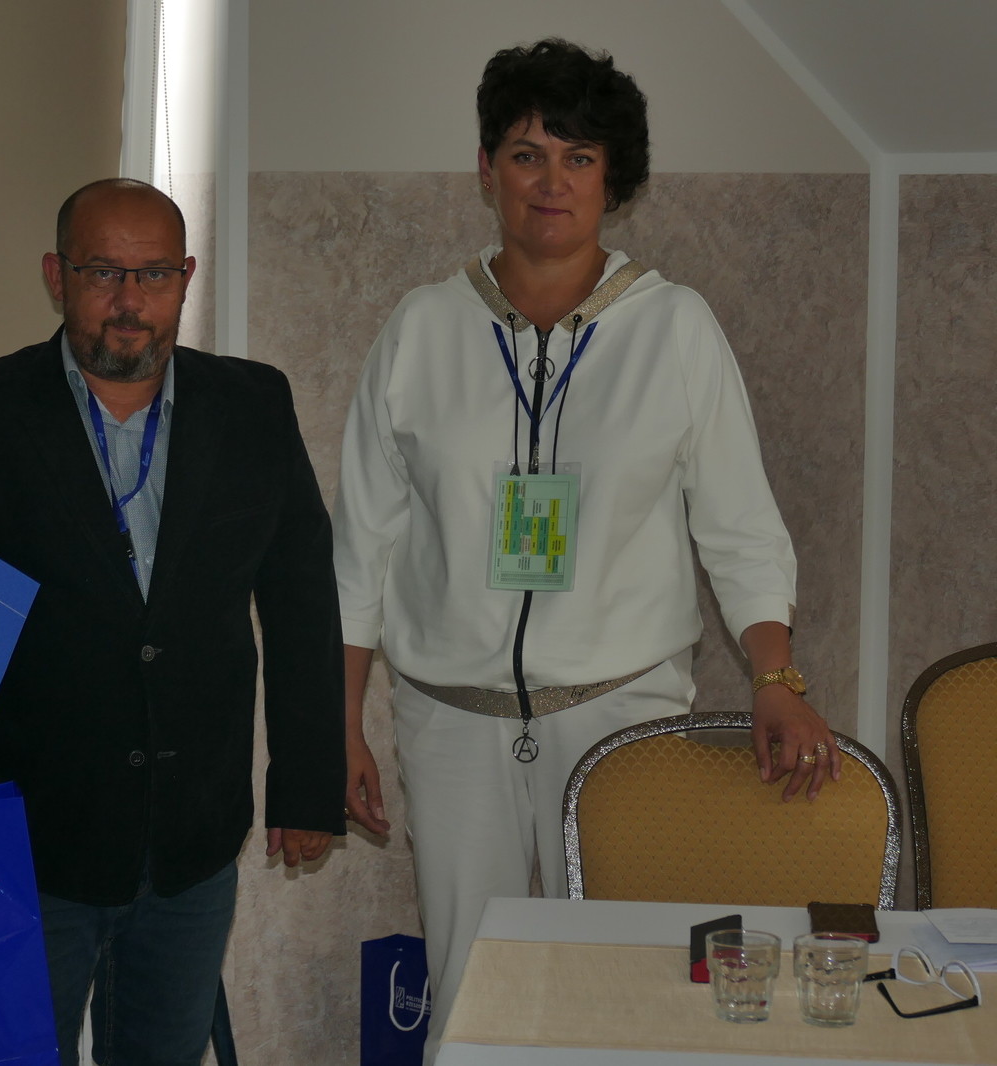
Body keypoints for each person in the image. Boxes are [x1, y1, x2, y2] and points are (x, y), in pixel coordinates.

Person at [333, 39, 839, 1061]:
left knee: (619, 990)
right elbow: (360, 544)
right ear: (486, 170)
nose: (550, 181)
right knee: (468, 993)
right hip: (452, 718)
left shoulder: (674, 328)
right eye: (526, 155)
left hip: (619, 712)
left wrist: (776, 675)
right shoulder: (422, 328)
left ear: (614, 178)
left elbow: (739, 527)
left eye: (578, 157)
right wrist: (335, 721)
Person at [0, 178, 344, 1065]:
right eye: (103, 272)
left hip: (191, 841)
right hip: (24, 843)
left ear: (186, 279)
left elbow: (300, 598)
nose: (130, 301)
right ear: (56, 276)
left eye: (154, 275)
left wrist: (306, 783)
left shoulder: (253, 404)